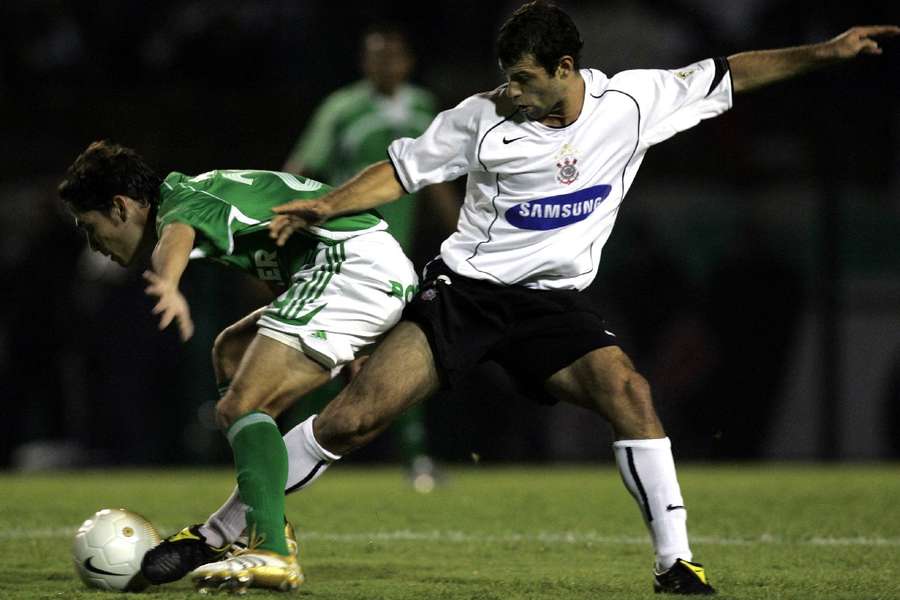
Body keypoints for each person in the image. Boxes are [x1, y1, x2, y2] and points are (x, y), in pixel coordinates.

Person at [264, 2, 898, 594]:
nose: (510, 91)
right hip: (466, 297)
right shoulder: (479, 118)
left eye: (522, 78)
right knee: (353, 418)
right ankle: (222, 529)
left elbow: (729, 75)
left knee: (630, 392)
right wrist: (324, 203)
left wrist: (825, 52)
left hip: (552, 308)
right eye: (505, 78)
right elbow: (399, 172)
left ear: (565, 69)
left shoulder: (633, 101)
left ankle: (675, 562)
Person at [57, 141, 418, 592]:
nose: (95, 245)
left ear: (121, 206)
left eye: (90, 228)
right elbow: (283, 254)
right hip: (351, 266)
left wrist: (167, 282)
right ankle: (266, 523)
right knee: (231, 351)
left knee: (240, 405)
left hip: (350, 267)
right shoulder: (205, 192)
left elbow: (177, 233)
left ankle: (269, 549)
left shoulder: (182, 203)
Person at [282, 23, 459, 487]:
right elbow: (302, 166)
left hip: (395, 255)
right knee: (320, 353)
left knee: (401, 352)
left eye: (392, 55)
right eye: (375, 55)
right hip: (341, 250)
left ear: (407, 61)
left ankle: (416, 458)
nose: (384, 64)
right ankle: (290, 451)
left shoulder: (422, 106)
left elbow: (435, 176)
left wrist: (463, 233)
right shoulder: (342, 107)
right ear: (364, 62)